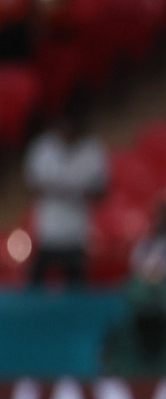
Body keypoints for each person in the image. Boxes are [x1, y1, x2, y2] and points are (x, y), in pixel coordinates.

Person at [24, 112, 109, 286]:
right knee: (34, 284)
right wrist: (68, 189)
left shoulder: (92, 149)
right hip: (47, 232)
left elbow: (101, 191)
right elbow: (32, 186)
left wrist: (66, 189)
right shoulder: (43, 148)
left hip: (77, 233)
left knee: (77, 286)